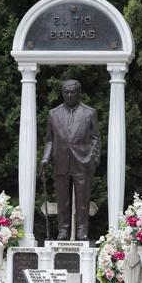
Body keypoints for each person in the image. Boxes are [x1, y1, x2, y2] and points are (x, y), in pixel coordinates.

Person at [41, 79, 100, 240]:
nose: (69, 95)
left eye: (72, 92)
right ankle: (63, 230)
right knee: (62, 200)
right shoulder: (54, 113)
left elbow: (95, 138)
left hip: (83, 162)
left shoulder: (89, 112)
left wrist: (94, 159)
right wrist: (45, 157)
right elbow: (50, 140)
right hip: (60, 161)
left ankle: (82, 230)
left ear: (78, 93)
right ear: (62, 93)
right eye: (66, 92)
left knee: (82, 200)